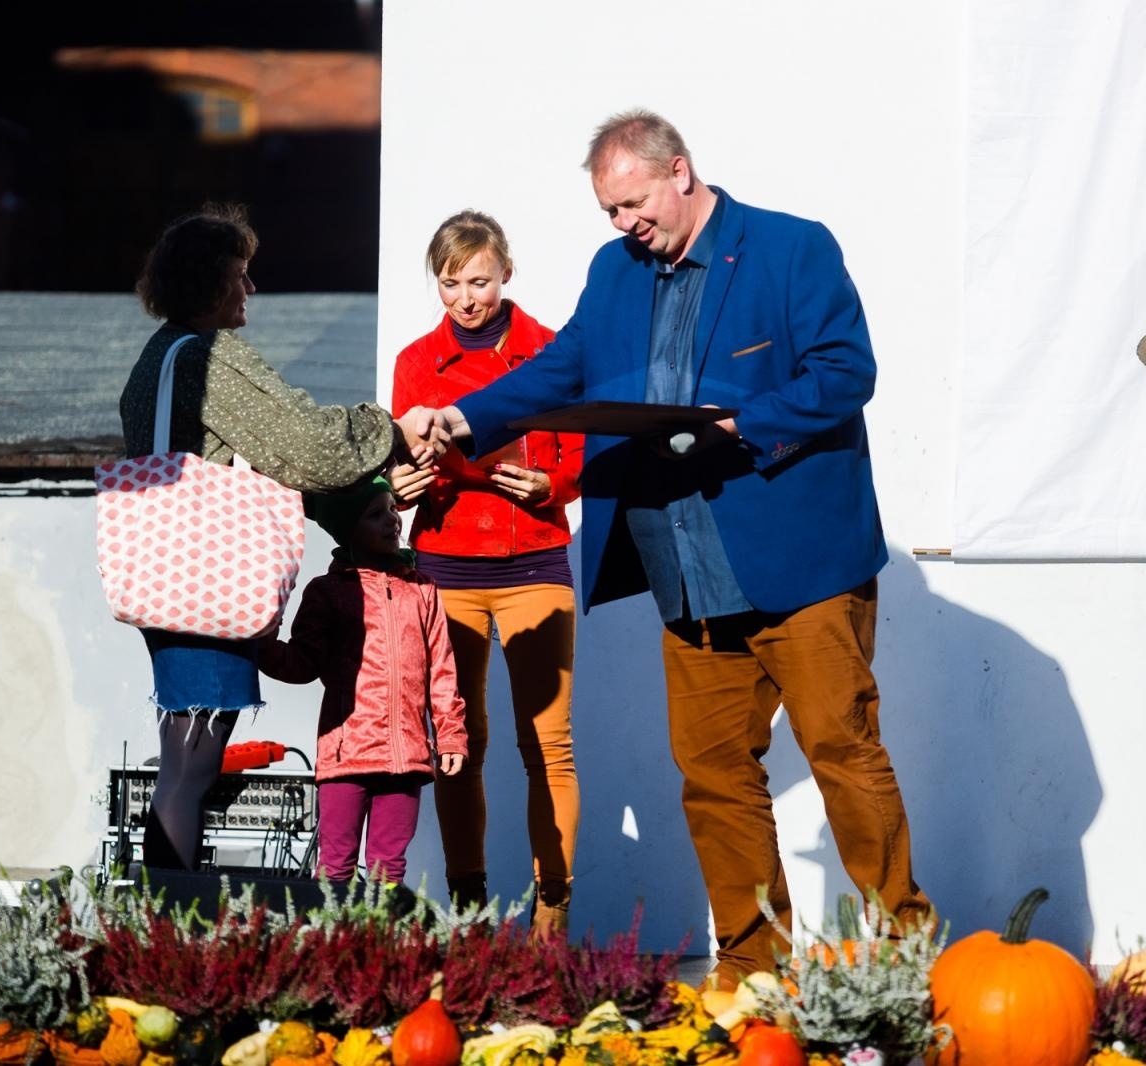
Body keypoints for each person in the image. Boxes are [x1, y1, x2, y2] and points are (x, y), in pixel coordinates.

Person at [409, 111, 934, 987]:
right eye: (609, 210)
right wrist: (467, 419)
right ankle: (753, 971)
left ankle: (907, 956)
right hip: (685, 575)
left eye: (631, 203)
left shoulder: (792, 249)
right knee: (715, 777)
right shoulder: (614, 273)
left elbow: (847, 374)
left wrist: (742, 426)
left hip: (802, 570)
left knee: (844, 754)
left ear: (680, 172)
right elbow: (563, 367)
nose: (623, 224)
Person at [120, 203, 441, 871]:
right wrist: (389, 432)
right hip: (210, 582)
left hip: (161, 576)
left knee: (182, 756)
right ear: (212, 283)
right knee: (193, 765)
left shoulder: (156, 360)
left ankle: (161, 922)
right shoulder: (209, 358)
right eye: (241, 275)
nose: (251, 289)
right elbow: (304, 446)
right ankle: (171, 927)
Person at [388, 210, 584, 935]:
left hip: (534, 558)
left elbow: (576, 454)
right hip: (445, 562)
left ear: (506, 273)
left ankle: (550, 920)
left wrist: (553, 488)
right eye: (450, 283)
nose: (467, 298)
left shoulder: (551, 351)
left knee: (548, 745)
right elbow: (403, 454)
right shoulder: (415, 360)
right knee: (457, 745)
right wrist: (404, 483)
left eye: (479, 280)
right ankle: (468, 914)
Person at [257, 476, 468, 887]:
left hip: (406, 758)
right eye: (376, 514)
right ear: (348, 528)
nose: (392, 520)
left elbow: (442, 668)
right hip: (345, 757)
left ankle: (380, 950)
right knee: (335, 865)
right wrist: (262, 641)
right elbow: (301, 664)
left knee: (389, 869)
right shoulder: (327, 593)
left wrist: (452, 734)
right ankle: (332, 949)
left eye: (392, 509)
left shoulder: (422, 590)